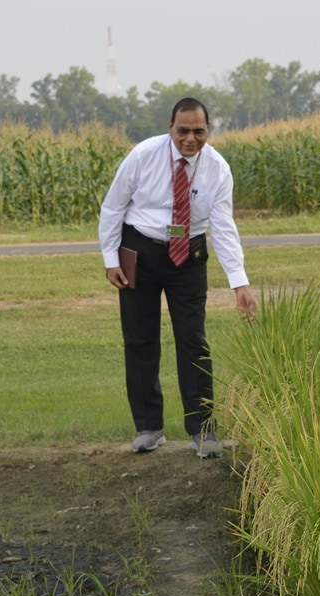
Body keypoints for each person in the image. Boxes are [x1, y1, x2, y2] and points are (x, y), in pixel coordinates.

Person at [98, 97, 257, 458]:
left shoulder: (217, 168)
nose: (190, 138)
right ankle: (149, 427)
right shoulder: (143, 155)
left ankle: (203, 430)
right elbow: (113, 207)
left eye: (198, 131)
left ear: (208, 130)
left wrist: (239, 281)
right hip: (140, 251)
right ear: (170, 127)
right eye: (182, 130)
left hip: (189, 256)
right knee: (140, 340)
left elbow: (223, 226)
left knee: (194, 341)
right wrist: (111, 259)